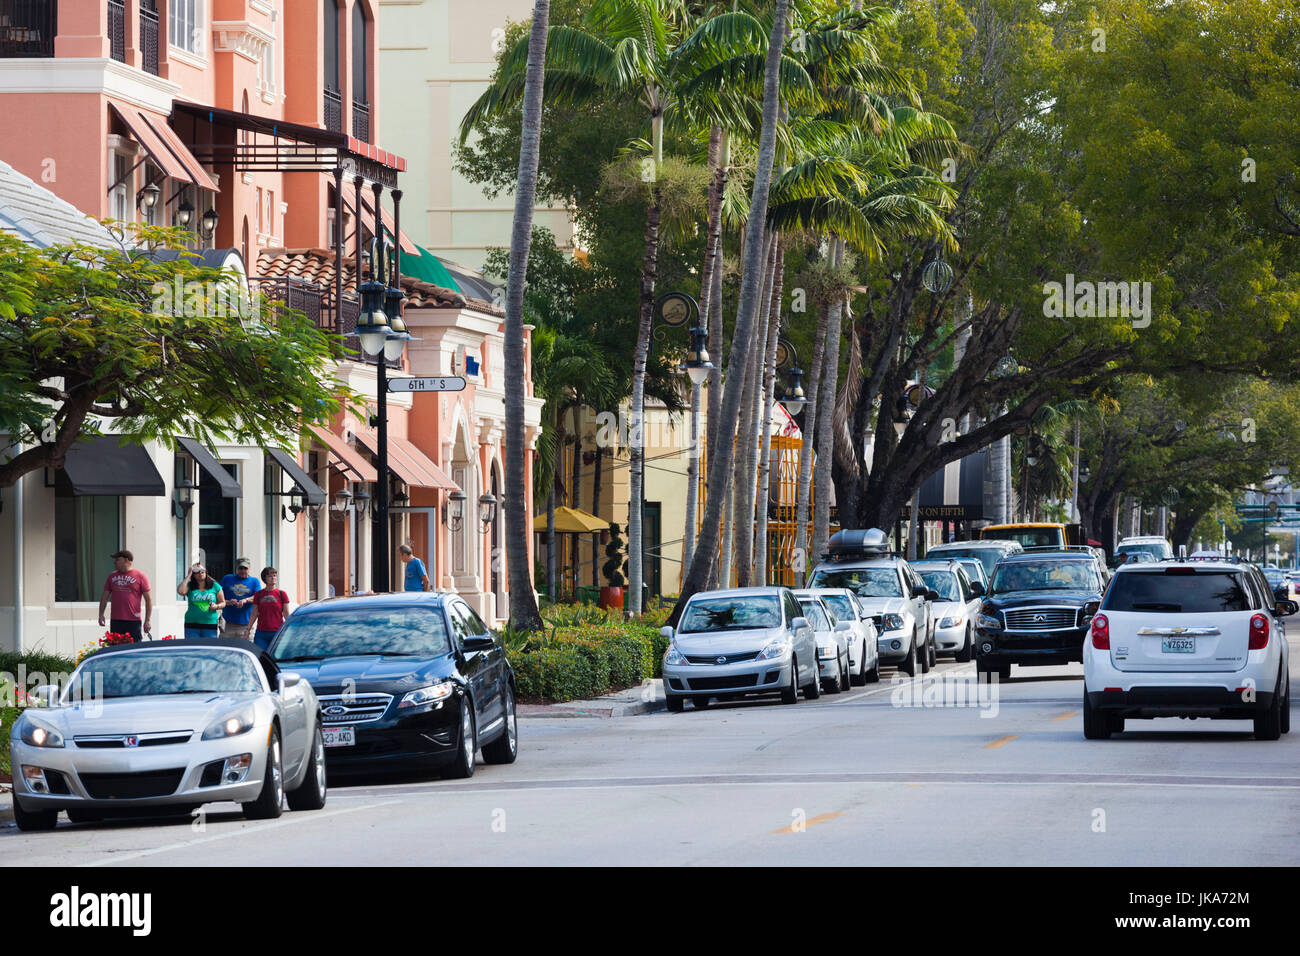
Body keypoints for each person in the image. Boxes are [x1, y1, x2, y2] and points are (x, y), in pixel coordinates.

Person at [98, 550, 152, 641]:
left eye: (118, 559)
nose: (114, 562)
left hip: (133, 621)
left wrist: (147, 620)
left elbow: (148, 600)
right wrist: (101, 614)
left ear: (126, 560)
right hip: (116, 620)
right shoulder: (112, 576)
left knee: (134, 649)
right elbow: (104, 597)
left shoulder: (140, 576)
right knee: (116, 648)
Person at [248, 567, 290, 651]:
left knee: (275, 658)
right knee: (260, 657)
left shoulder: (282, 594)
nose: (273, 578)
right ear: (265, 579)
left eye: (274, 576)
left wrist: (290, 628)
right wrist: (248, 629)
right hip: (261, 633)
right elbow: (254, 613)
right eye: (270, 576)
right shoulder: (258, 594)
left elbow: (286, 613)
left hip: (277, 632)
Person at [178, 563, 225, 639]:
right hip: (191, 623)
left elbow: (223, 603)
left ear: (206, 572)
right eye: (197, 571)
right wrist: (188, 576)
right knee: (193, 648)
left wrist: (216, 606)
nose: (200, 573)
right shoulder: (190, 586)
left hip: (210, 623)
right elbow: (180, 591)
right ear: (193, 574)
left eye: (202, 571)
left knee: (209, 648)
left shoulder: (214, 585)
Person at [220, 558, 262, 636]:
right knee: (227, 648)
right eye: (240, 568)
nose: (243, 570)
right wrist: (228, 602)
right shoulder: (227, 578)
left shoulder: (254, 581)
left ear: (249, 568)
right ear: (237, 568)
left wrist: (246, 600)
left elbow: (258, 597)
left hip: (246, 625)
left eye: (245, 568)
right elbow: (218, 595)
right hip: (228, 624)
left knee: (246, 648)